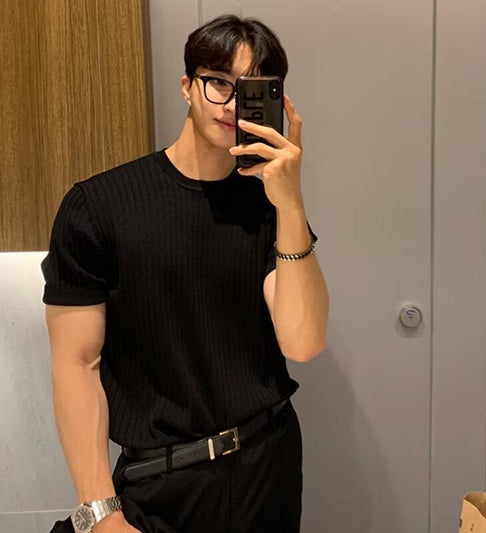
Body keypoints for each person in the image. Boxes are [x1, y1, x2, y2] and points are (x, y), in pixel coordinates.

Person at [42, 14, 329, 533]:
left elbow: (304, 341)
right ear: (187, 86)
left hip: (267, 467)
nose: (231, 104)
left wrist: (290, 203)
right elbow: (75, 364)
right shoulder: (98, 207)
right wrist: (99, 513)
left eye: (252, 90)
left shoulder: (270, 208)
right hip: (159, 482)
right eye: (219, 83)